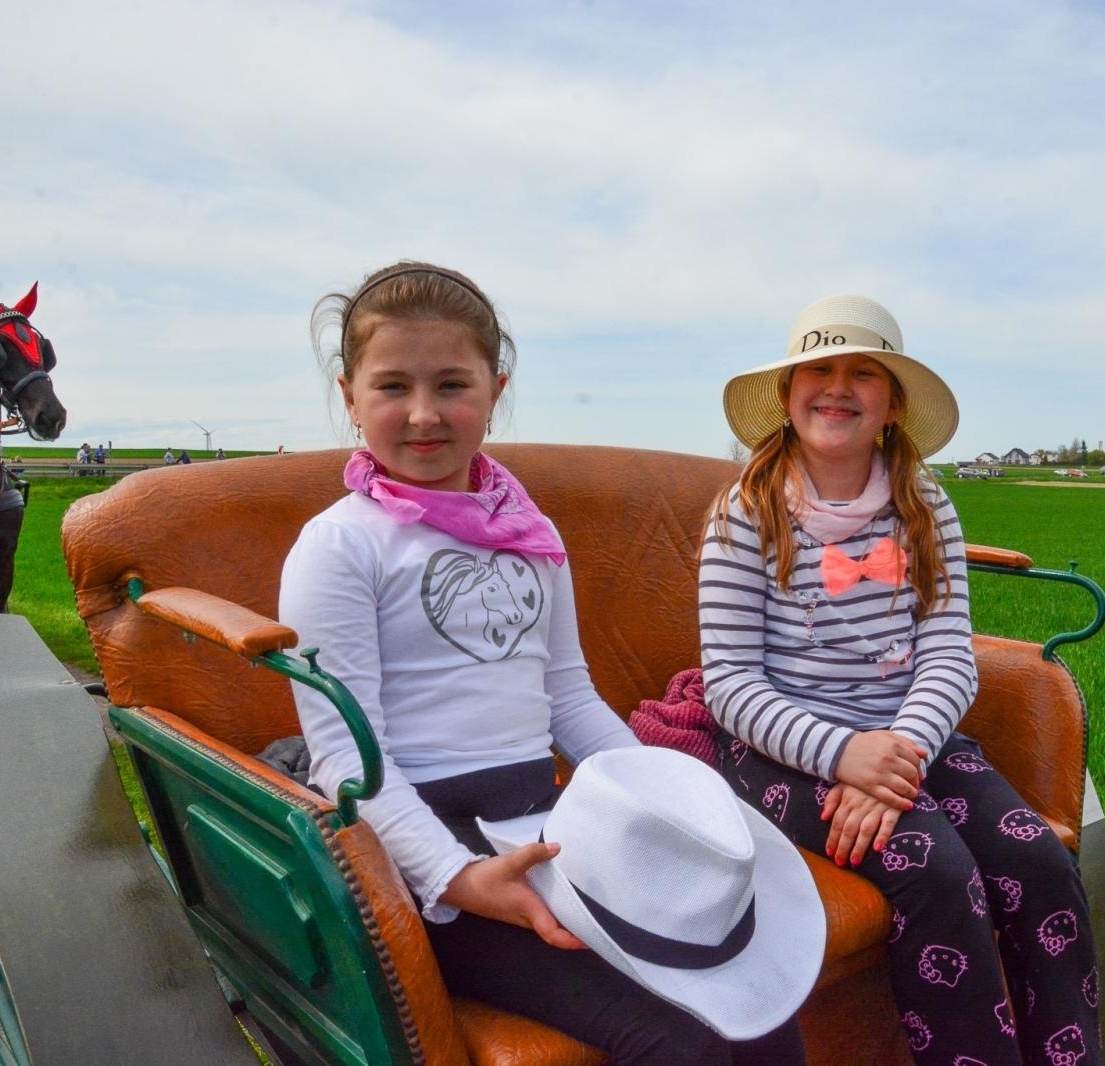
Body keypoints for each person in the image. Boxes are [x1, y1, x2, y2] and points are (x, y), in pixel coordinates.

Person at [279, 261, 811, 1065]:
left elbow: (567, 698)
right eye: (392, 387)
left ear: (495, 388)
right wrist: (458, 878)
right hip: (414, 852)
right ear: (350, 395)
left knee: (757, 1002)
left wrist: (678, 806)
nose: (423, 414)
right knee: (670, 1040)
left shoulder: (530, 534)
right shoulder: (340, 544)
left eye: (452, 385)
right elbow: (347, 753)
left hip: (547, 824)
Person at [700, 294, 1102, 1066]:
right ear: (787, 396)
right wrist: (845, 757)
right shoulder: (744, 513)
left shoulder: (926, 507)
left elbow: (949, 656)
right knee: (937, 872)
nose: (838, 386)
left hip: (910, 738)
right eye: (818, 369)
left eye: (863, 372)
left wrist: (899, 749)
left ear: (892, 406)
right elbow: (730, 684)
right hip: (784, 749)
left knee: (1037, 863)